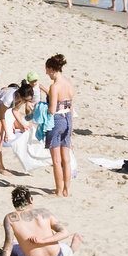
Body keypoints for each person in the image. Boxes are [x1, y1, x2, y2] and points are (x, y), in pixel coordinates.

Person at [0, 188, 83, 256]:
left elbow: (9, 243)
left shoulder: (10, 218)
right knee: (64, 247)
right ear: (30, 199)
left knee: (15, 246)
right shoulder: (44, 212)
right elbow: (65, 233)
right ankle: (72, 249)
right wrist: (43, 241)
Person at [42, 53, 75, 198]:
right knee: (66, 158)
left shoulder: (54, 86)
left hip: (57, 120)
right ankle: (67, 189)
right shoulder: (68, 83)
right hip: (68, 118)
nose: (46, 73)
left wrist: (42, 107)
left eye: (47, 70)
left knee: (56, 160)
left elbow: (52, 109)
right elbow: (71, 104)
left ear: (52, 69)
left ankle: (58, 190)